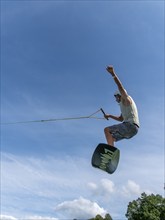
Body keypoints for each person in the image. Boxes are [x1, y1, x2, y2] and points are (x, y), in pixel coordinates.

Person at [103, 66, 140, 147]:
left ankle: (110, 151)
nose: (115, 99)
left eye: (116, 97)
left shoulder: (126, 99)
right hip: (133, 130)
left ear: (119, 95)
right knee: (111, 137)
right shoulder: (124, 106)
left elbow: (120, 87)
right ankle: (111, 155)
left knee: (107, 130)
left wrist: (113, 73)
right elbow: (121, 119)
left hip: (130, 126)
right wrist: (109, 115)